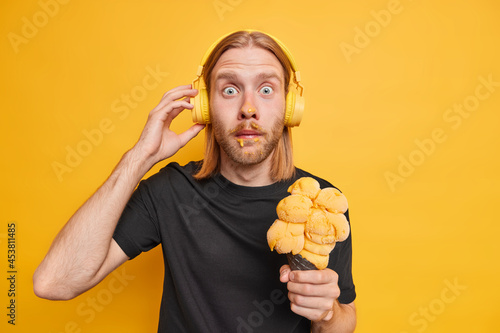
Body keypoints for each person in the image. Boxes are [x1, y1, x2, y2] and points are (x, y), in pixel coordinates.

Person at [33, 30, 356, 332]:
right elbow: (55, 283)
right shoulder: (169, 192)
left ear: (290, 107)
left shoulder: (321, 203)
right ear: (205, 107)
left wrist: (328, 313)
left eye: (266, 89)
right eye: (229, 89)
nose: (248, 108)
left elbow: (345, 321)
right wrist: (139, 158)